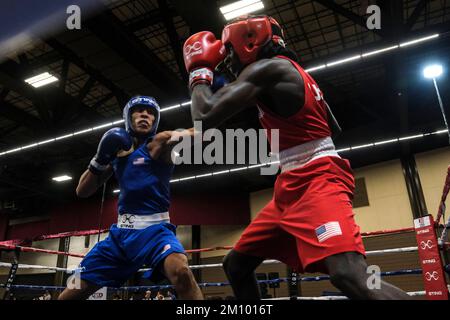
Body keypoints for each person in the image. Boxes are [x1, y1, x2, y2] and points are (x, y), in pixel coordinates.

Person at [183, 15, 410, 300]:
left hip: (318, 181)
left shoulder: (267, 69)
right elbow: (333, 128)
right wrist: (295, 145)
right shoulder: (295, 72)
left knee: (348, 274)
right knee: (236, 264)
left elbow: (204, 115)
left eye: (229, 50)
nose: (226, 60)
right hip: (291, 185)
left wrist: (199, 69)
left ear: (250, 42)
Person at [58, 96, 203, 300]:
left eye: (151, 112)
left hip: (156, 231)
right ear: (128, 116)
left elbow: (200, 134)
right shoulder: (117, 151)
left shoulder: (159, 144)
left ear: (155, 120)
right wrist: (100, 159)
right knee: (70, 294)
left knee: (181, 273)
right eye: (139, 110)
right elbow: (82, 191)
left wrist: (208, 101)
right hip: (120, 236)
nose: (145, 114)